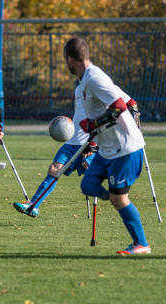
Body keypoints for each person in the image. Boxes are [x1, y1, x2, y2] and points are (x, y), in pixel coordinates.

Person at [63, 37, 150, 255]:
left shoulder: (94, 78)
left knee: (119, 198)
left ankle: (141, 244)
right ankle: (112, 198)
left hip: (125, 149)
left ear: (70, 59)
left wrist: (93, 124)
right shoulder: (84, 79)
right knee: (88, 186)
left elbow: (120, 107)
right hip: (107, 149)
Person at [13, 89, 139, 218]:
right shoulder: (78, 89)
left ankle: (120, 196)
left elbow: (131, 103)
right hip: (72, 142)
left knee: (88, 167)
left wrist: (133, 124)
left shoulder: (102, 85)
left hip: (92, 142)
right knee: (54, 169)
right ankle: (33, 206)